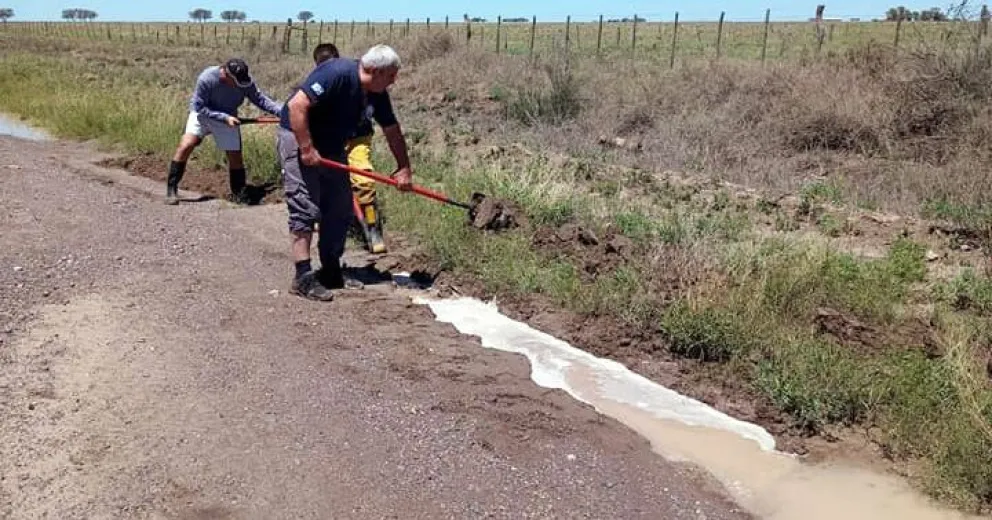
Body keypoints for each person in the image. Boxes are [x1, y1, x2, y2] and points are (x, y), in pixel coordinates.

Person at [276, 44, 413, 301]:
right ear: (373, 70)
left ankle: (330, 270)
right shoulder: (336, 73)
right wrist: (306, 148)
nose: (394, 81)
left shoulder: (377, 93)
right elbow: (297, 106)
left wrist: (404, 168)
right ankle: (303, 277)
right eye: (391, 75)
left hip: (332, 144)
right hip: (298, 136)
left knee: (339, 207)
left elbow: (392, 130)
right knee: (305, 205)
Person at [165, 58, 283, 205]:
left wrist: (283, 111)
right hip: (203, 115)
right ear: (226, 75)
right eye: (237, 82)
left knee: (235, 157)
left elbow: (260, 100)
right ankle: (171, 188)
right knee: (186, 145)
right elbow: (198, 106)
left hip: (228, 117)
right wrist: (224, 117)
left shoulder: (245, 81)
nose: (240, 85)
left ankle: (239, 194)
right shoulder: (207, 78)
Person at [310, 43, 388, 255]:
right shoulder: (320, 81)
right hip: (328, 140)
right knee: (322, 183)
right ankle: (323, 218)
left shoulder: (355, 77)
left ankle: (373, 228)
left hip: (357, 137)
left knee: (364, 181)